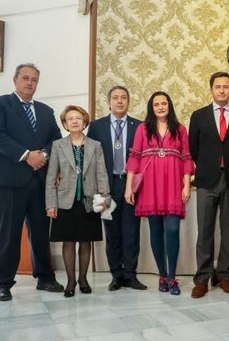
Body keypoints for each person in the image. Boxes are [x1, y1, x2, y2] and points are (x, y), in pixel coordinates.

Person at [0, 63, 64, 302]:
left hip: (40, 181)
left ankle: (45, 277)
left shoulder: (46, 111)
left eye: (34, 79)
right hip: (11, 182)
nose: (30, 83)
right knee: (9, 234)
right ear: (15, 80)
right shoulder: (2, 104)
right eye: (25, 78)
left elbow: (56, 140)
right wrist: (27, 155)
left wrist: (44, 155)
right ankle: (3, 282)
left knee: (40, 233)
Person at [124, 91, 193, 296]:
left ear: (169, 106)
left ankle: (173, 277)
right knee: (155, 230)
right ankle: (163, 276)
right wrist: (129, 187)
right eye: (156, 104)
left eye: (164, 103)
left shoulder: (179, 129)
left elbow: (187, 158)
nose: (161, 107)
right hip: (150, 186)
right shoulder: (143, 129)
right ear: (151, 108)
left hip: (173, 185)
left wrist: (186, 185)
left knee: (172, 229)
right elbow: (135, 158)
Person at [188, 71, 229, 298]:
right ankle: (202, 278)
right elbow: (194, 148)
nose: (222, 90)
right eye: (218, 86)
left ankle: (224, 275)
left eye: (226, 86)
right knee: (204, 230)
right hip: (206, 179)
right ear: (211, 89)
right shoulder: (199, 116)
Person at [45, 106, 110, 297]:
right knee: (68, 242)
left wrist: (105, 197)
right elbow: (50, 177)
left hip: (89, 201)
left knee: (85, 241)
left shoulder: (95, 145)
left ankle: (83, 278)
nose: (74, 121)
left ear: (84, 121)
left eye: (78, 118)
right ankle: (71, 281)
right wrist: (51, 204)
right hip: (65, 201)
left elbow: (101, 173)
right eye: (70, 119)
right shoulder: (58, 145)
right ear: (65, 124)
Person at [87, 86, 147, 291]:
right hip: (107, 185)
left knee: (131, 232)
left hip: (131, 185)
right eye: (115, 98)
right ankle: (116, 275)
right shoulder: (96, 126)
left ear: (128, 101)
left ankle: (131, 275)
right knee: (112, 232)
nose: (120, 101)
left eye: (123, 98)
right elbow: (92, 159)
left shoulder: (139, 126)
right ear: (109, 102)